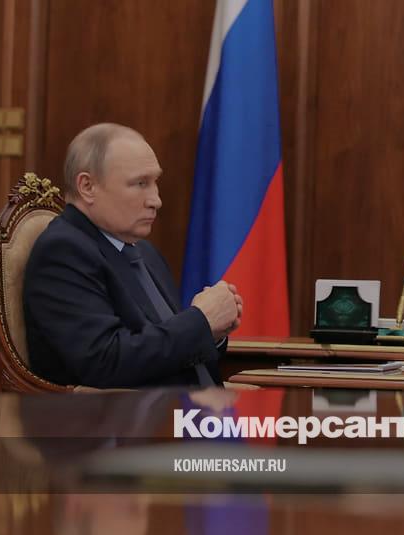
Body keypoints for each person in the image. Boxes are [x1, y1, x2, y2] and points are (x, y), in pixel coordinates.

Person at [23, 123, 242, 387]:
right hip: (134, 412)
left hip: (195, 405)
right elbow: (106, 361)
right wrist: (201, 321)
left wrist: (212, 331)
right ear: (87, 186)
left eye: (154, 182)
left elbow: (167, 346)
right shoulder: (63, 253)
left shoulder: (143, 251)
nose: (156, 200)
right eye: (140, 183)